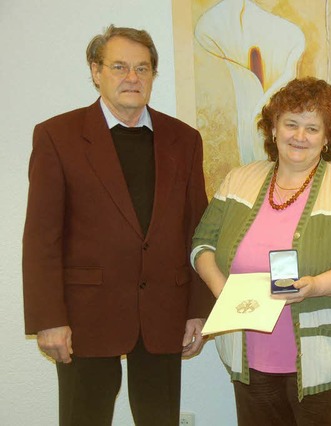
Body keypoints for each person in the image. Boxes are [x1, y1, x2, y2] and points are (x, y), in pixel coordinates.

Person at [22, 25, 213, 426]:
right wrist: (48, 318)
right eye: (120, 67)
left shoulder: (184, 139)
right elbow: (42, 238)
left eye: (143, 69)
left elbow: (197, 230)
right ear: (96, 71)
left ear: (153, 75)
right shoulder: (58, 136)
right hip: (85, 315)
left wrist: (198, 310)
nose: (132, 78)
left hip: (165, 311)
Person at [191, 77, 331, 426]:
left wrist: (316, 285)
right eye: (290, 124)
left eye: (312, 128)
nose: (299, 136)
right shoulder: (239, 181)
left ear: (328, 137)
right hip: (250, 361)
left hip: (327, 365)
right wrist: (224, 292)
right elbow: (202, 244)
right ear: (273, 128)